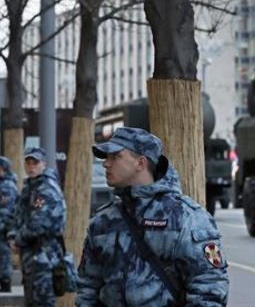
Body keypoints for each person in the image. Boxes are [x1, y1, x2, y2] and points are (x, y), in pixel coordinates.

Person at [76, 127, 229, 306]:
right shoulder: (103, 221)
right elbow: (87, 287)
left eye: (115, 156)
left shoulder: (187, 218)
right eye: (106, 157)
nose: (106, 164)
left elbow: (209, 289)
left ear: (141, 163)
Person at [9, 147, 66, 306]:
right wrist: (12, 236)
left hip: (44, 256)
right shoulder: (30, 187)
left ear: (44, 164)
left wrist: (18, 240)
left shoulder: (46, 188)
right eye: (28, 163)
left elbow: (39, 224)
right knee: (31, 300)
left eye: (36, 162)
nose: (31, 166)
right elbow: (18, 214)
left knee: (42, 301)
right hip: (32, 255)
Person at [0, 157, 18, 292]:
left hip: (4, 228)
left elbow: (7, 211)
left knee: (4, 256)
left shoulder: (7, 186)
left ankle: (5, 284)